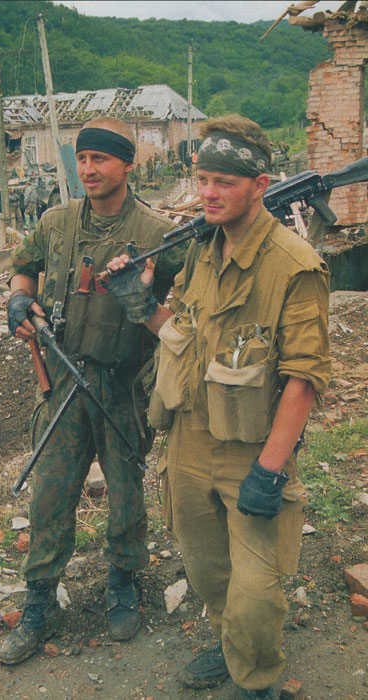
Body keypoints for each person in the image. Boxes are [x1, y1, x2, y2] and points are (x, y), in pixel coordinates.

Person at [100, 114, 331, 699]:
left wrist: (270, 470)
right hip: (189, 441)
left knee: (257, 588)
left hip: (252, 450)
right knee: (207, 570)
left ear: (259, 185)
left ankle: (256, 680)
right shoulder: (203, 250)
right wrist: (140, 304)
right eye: (203, 179)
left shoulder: (294, 264)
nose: (208, 193)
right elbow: (181, 334)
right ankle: (232, 646)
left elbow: (304, 378)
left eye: (224, 181)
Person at [0, 116, 185, 666]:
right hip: (61, 381)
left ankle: (123, 582)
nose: (88, 169)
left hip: (122, 385)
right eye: (82, 159)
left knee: (126, 492)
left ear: (128, 163)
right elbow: (22, 269)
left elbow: (189, 309)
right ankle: (39, 599)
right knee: (50, 494)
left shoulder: (158, 234)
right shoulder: (55, 222)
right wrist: (18, 300)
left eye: (100, 158)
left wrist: (148, 304)